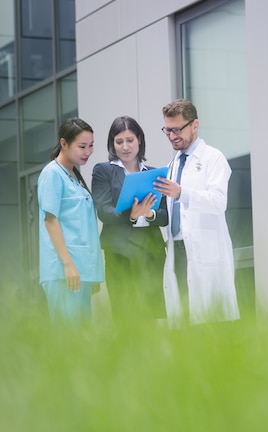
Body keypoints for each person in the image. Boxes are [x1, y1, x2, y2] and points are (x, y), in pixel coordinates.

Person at [154, 98, 239, 326]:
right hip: (177, 252)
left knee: (210, 325)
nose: (172, 136)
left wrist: (182, 193)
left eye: (177, 129)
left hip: (204, 252)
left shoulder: (213, 158)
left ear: (195, 125)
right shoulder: (172, 165)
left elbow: (218, 201)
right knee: (183, 324)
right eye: (167, 130)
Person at [92, 116, 168, 321]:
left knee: (154, 314)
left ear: (139, 140)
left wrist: (148, 213)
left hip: (151, 251)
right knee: (126, 315)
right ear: (112, 143)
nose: (125, 147)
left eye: (130, 140)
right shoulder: (104, 170)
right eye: (119, 142)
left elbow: (165, 216)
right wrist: (131, 216)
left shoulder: (154, 173)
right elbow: (103, 211)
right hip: (119, 253)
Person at [38, 117, 104, 325]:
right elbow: (51, 221)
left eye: (91, 145)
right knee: (67, 341)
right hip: (63, 271)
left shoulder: (73, 176)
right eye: (82, 146)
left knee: (80, 341)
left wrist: (90, 272)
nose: (88, 151)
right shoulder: (52, 175)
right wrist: (68, 265)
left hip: (80, 271)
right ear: (64, 143)